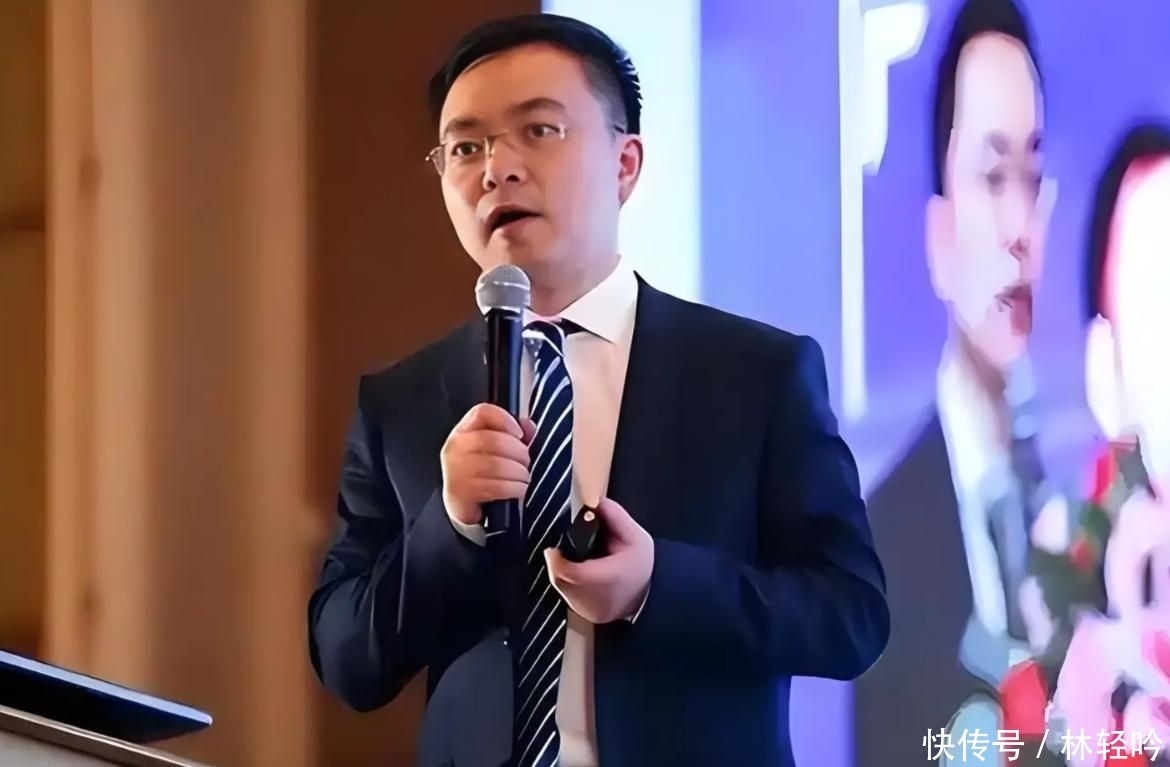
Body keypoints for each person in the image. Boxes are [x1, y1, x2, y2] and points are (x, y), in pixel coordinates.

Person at [307, 12, 889, 767]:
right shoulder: (402, 402)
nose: (497, 169)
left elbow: (851, 616)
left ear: (625, 163)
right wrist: (448, 527)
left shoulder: (755, 374)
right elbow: (345, 658)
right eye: (466, 147)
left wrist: (658, 586)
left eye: (539, 130)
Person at [855, 0, 1057, 764]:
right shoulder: (877, 538)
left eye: (1033, 176)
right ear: (938, 234)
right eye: (993, 175)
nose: (1019, 227)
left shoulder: (1083, 507)